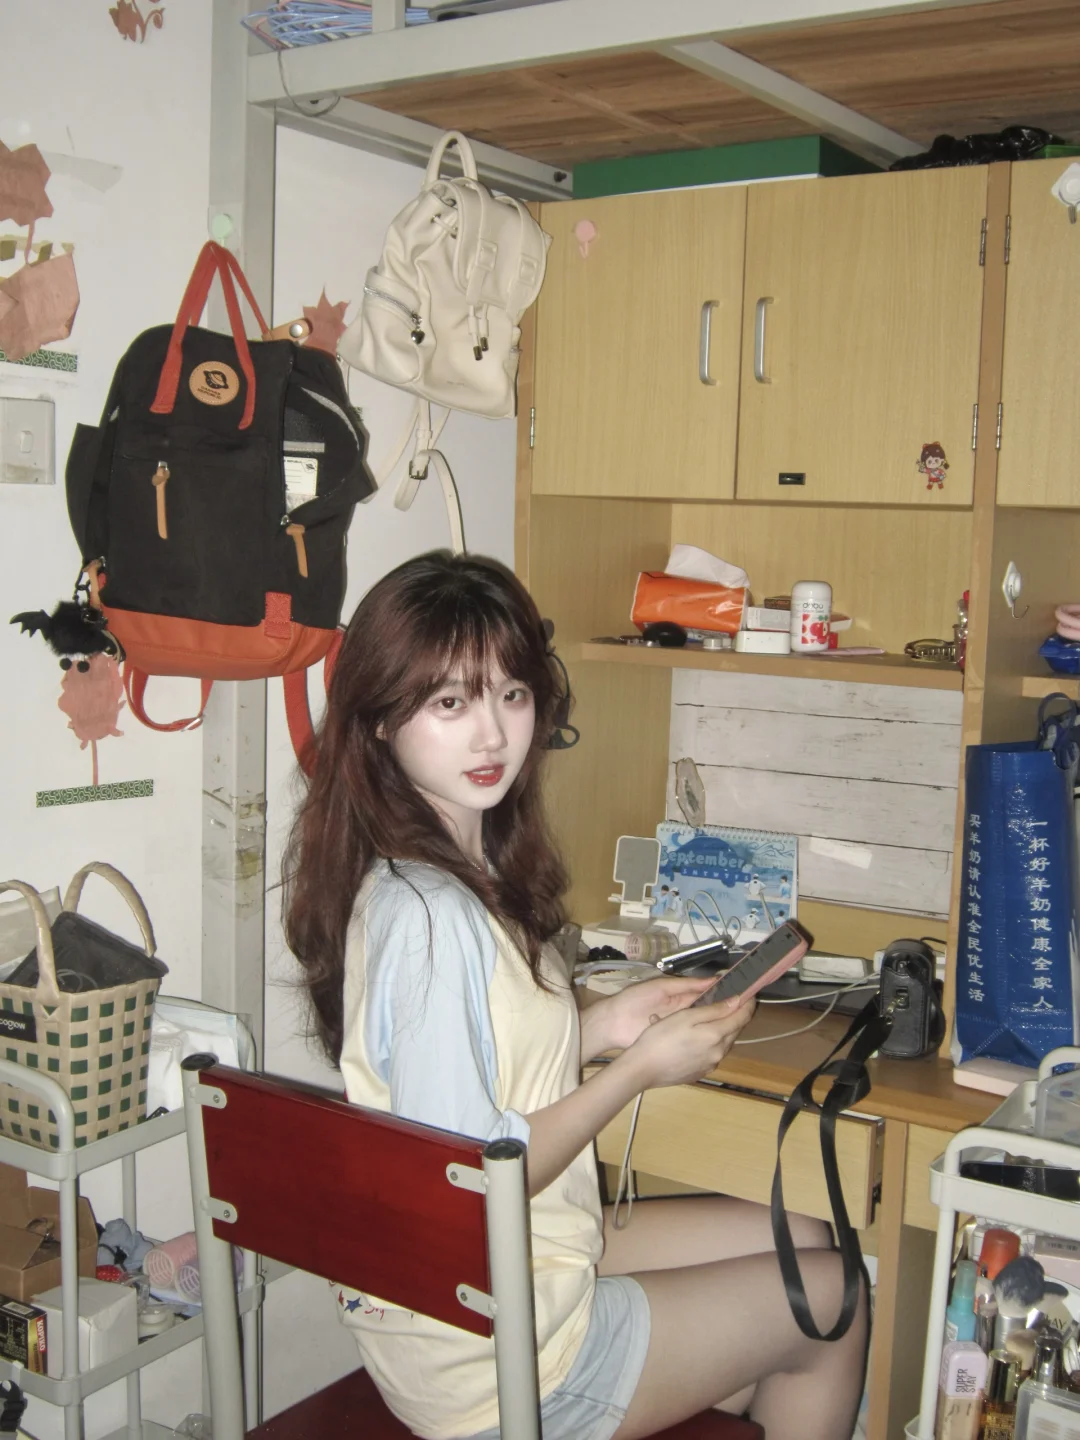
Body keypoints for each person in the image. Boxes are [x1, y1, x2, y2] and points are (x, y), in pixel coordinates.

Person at [284, 551, 868, 1440]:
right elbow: (469, 1175)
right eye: (451, 703)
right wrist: (636, 1072)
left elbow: (478, 1065)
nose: (492, 735)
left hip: (492, 1280)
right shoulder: (431, 915)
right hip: (495, 1352)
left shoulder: (424, 872)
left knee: (801, 1235)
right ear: (379, 721)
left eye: (511, 694)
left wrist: (602, 1025)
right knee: (833, 1299)